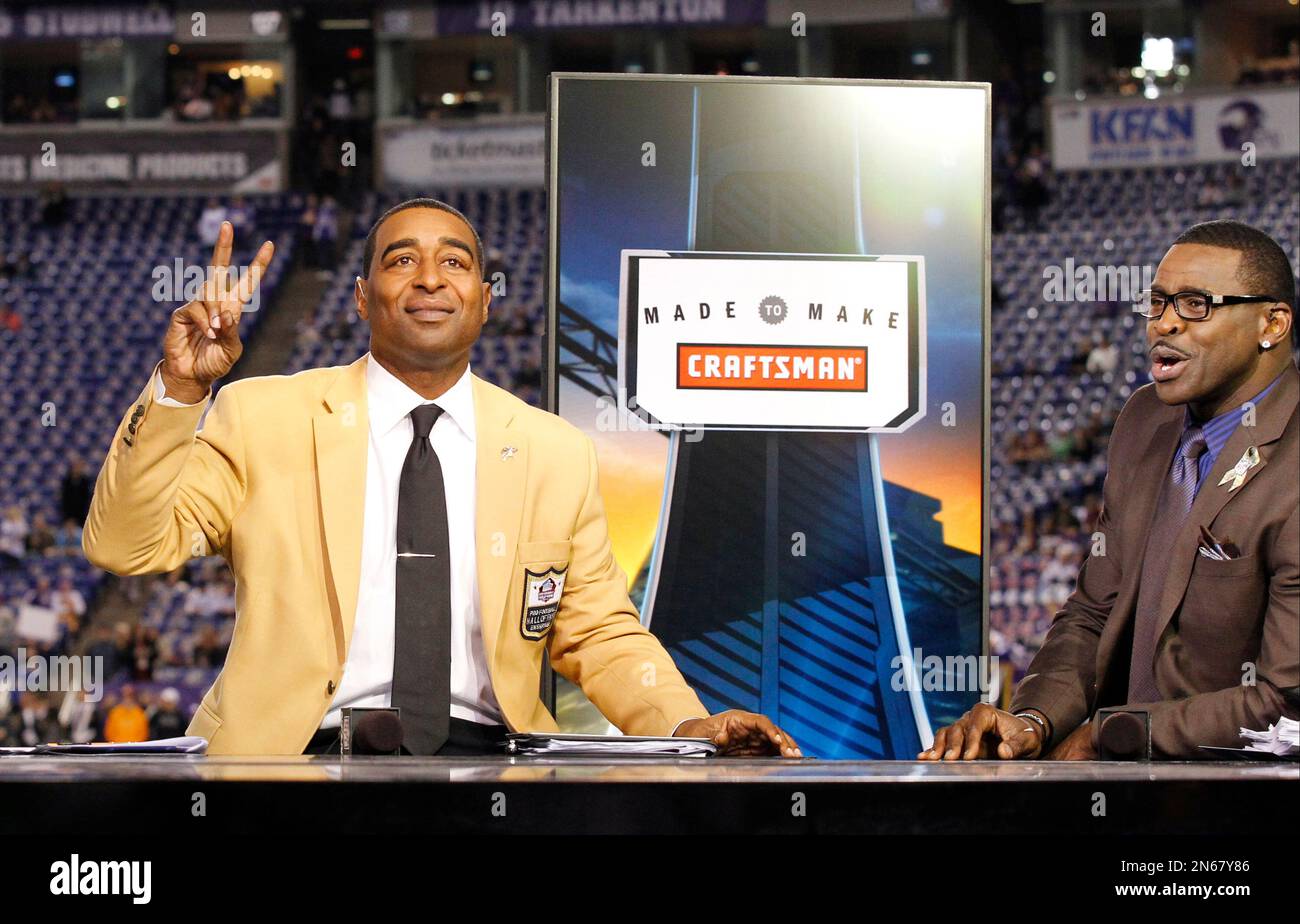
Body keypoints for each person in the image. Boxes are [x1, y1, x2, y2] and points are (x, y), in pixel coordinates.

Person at [83, 201, 802, 759]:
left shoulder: (554, 451)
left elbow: (601, 634)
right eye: (403, 261)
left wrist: (688, 722)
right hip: (294, 764)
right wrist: (180, 389)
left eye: (455, 263)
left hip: (493, 767)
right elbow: (125, 547)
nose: (430, 277)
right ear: (362, 297)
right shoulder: (261, 414)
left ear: (486, 299)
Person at [924, 219, 1297, 761]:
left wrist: (1114, 735)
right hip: (1124, 797)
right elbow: (1096, 611)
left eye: (1195, 304)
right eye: (1158, 303)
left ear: (1272, 323)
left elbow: (1288, 708)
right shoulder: (1145, 420)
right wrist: (1033, 721)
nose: (1164, 325)